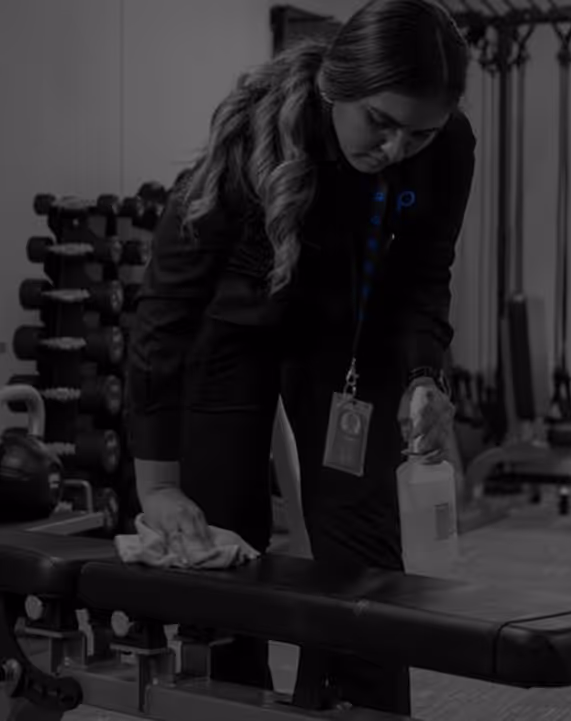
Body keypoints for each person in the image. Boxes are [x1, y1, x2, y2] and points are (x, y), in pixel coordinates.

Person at [123, 0, 475, 714]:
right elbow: (163, 315)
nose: (396, 148)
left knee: (366, 561)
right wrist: (156, 485)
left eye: (420, 131)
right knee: (218, 549)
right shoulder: (255, 136)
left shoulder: (449, 145)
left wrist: (422, 377)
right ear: (337, 85)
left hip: (353, 346)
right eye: (381, 121)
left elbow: (425, 275)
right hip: (231, 340)